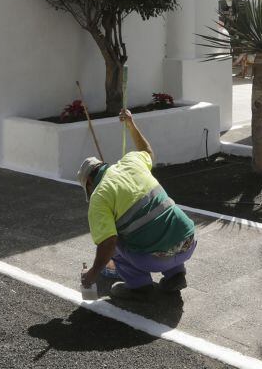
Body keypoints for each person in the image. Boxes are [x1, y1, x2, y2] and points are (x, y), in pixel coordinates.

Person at [78, 110, 196, 301]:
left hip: (155, 259)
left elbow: (108, 243)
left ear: (89, 182)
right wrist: (131, 124)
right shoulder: (131, 161)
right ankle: (176, 274)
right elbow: (148, 151)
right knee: (162, 224)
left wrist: (92, 273)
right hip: (188, 242)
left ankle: (139, 286)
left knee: (115, 242)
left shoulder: (99, 197)